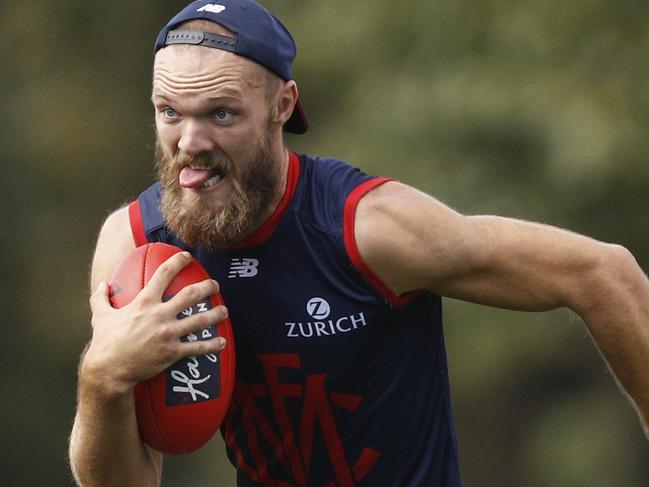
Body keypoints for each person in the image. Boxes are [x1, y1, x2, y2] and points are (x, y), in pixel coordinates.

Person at [68, 1, 649, 486]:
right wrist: (102, 378)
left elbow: (603, 273)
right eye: (169, 112)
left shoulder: (368, 230)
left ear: (282, 107)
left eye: (221, 113)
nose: (189, 143)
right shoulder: (138, 250)